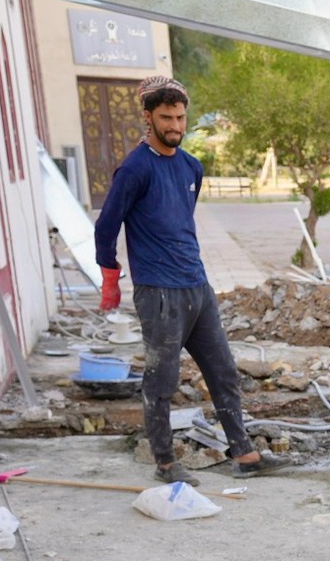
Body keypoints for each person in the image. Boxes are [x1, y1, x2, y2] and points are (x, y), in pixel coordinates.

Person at [93, 75, 274, 483]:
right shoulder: (135, 169)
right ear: (148, 117)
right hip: (159, 292)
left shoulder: (192, 166)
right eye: (166, 118)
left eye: (179, 118)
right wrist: (110, 276)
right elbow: (106, 226)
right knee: (162, 380)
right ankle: (165, 463)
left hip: (197, 286)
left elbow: (179, 219)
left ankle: (244, 454)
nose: (175, 126)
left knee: (223, 371)